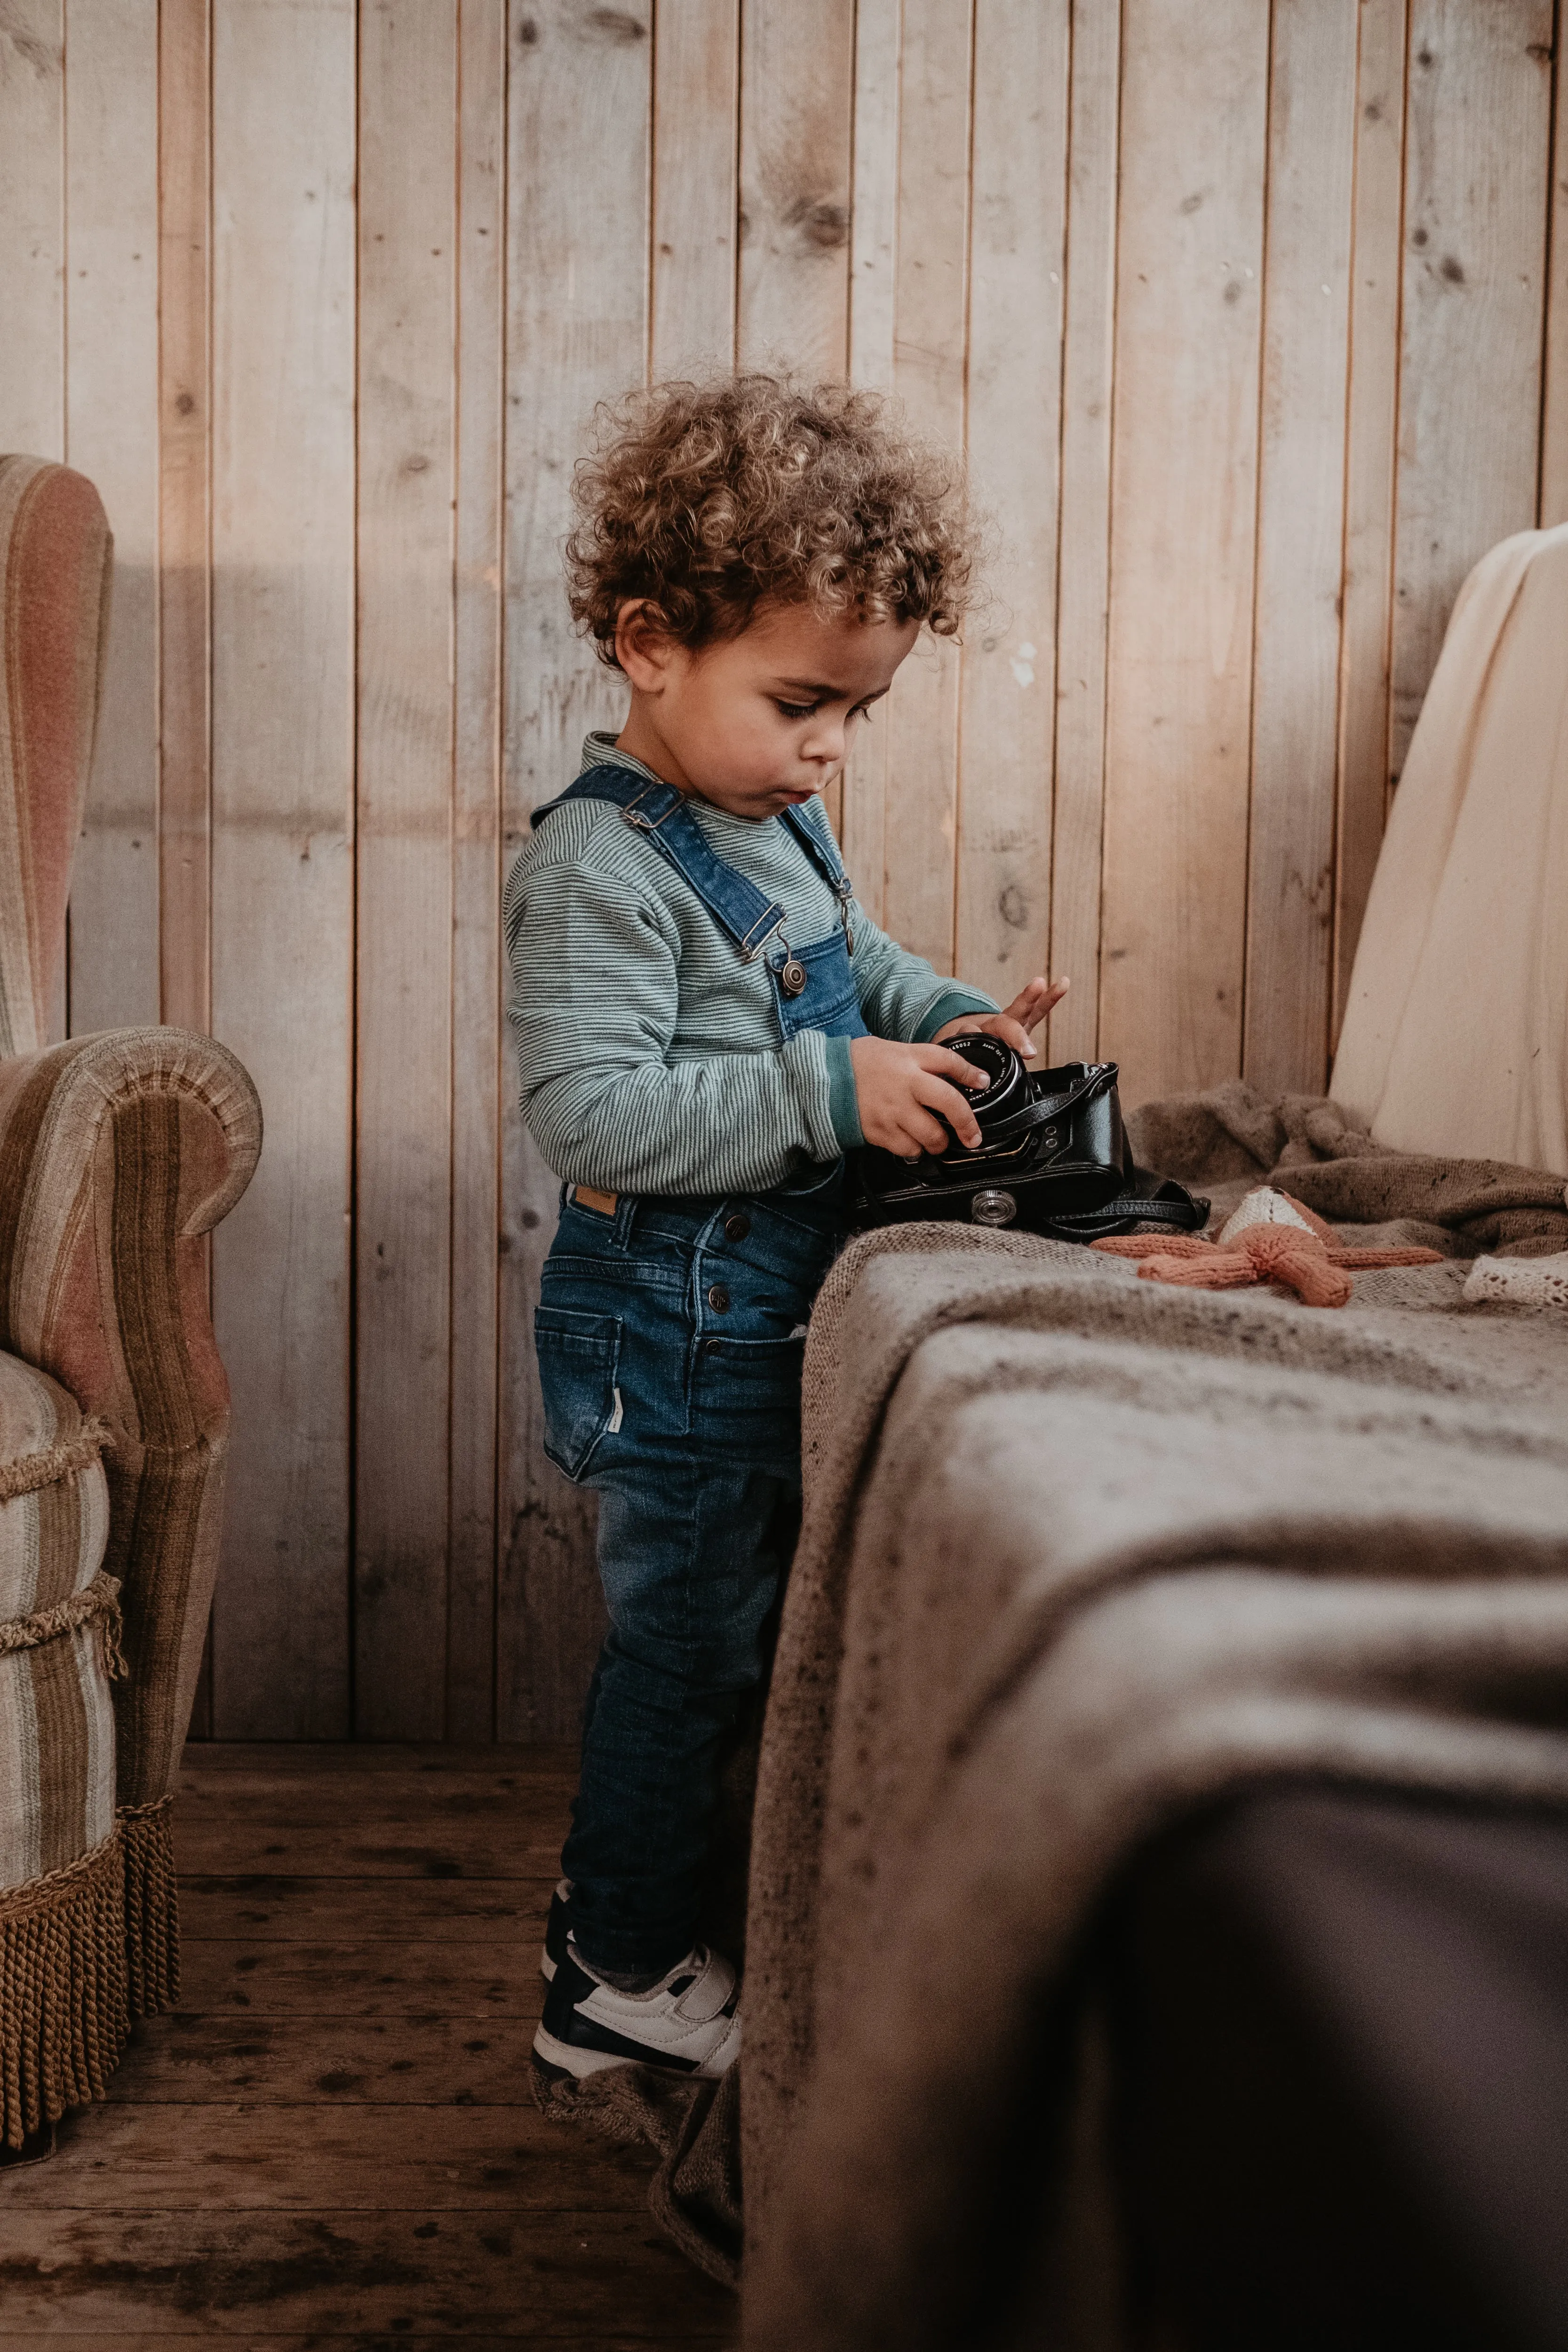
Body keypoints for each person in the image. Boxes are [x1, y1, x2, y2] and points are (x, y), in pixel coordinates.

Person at [506, 374, 1066, 2080]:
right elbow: (591, 1116)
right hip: (661, 1336)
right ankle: (606, 1972)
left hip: (758, 1317)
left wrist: (951, 1015)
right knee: (688, 1645)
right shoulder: (598, 869)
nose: (829, 745)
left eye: (857, 713)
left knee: (743, 1628)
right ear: (648, 643)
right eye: (802, 701)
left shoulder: (775, 813)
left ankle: (653, 1907)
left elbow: (851, 963)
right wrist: (833, 1094)